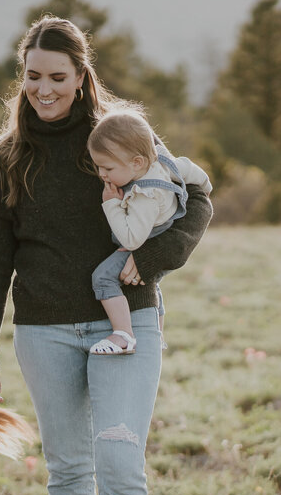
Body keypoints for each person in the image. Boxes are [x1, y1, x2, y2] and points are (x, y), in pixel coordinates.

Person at [0, 16, 212, 495]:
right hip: (42, 329)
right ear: (22, 77)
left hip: (123, 320)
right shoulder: (6, 158)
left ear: (81, 78)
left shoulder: (118, 135)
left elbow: (195, 196)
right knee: (69, 468)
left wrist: (152, 259)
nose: (44, 89)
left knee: (119, 463)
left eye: (58, 77)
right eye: (33, 76)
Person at [86, 110, 212, 356]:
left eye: (107, 167)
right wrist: (206, 187)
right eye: (97, 166)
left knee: (102, 277)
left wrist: (111, 204)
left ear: (136, 163)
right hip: (153, 234)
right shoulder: (164, 162)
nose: (101, 174)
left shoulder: (145, 196)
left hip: (147, 241)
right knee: (154, 285)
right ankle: (158, 334)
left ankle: (123, 334)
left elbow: (131, 239)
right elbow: (193, 171)